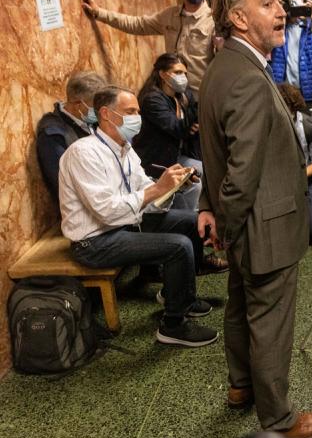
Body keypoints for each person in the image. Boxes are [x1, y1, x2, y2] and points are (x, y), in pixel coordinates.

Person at [198, 0, 312, 438]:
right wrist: (226, 228)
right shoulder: (248, 79)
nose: (282, 10)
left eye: (281, 1)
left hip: (243, 224)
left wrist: (209, 207)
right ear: (237, 17)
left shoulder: (226, 65)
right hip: (262, 227)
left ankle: (240, 386)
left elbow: (217, 151)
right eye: (268, 3)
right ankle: (279, 419)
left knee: (240, 306)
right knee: (269, 323)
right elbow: (240, 170)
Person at [59, 85, 217, 347]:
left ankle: (177, 296)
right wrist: (157, 188)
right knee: (178, 247)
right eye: (131, 111)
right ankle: (173, 327)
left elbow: (144, 189)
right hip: (95, 241)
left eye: (138, 112)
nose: (138, 118)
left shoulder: (124, 148)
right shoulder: (83, 153)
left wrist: (174, 185)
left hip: (126, 224)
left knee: (193, 222)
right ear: (107, 114)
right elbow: (107, 212)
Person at [81, 0, 215, 93]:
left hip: (201, 95)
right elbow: (137, 24)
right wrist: (99, 13)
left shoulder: (213, 21)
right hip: (172, 93)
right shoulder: (169, 16)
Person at [133, 53, 203, 210]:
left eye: (185, 73)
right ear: (163, 74)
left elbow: (192, 124)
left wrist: (190, 125)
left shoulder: (184, 95)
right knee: (194, 184)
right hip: (157, 159)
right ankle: (187, 220)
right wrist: (188, 124)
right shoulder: (153, 99)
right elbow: (176, 128)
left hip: (178, 154)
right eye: (177, 72)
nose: (183, 77)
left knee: (205, 170)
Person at [36, 71, 106, 203]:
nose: (100, 111)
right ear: (78, 104)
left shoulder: (93, 121)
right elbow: (65, 187)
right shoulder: (53, 134)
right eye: (95, 107)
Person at [277, 83, 312, 244]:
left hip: (305, 179)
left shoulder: (309, 125)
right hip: (278, 182)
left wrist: (297, 176)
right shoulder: (269, 126)